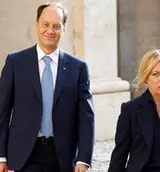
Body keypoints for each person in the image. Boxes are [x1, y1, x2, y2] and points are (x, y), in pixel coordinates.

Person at [0, 2, 94, 172]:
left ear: (63, 29)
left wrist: (83, 159)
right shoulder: (16, 63)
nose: (50, 31)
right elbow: (2, 112)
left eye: (56, 26)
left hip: (63, 156)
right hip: (24, 155)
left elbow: (86, 117)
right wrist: (1, 156)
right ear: (37, 25)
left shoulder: (78, 68)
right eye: (45, 24)